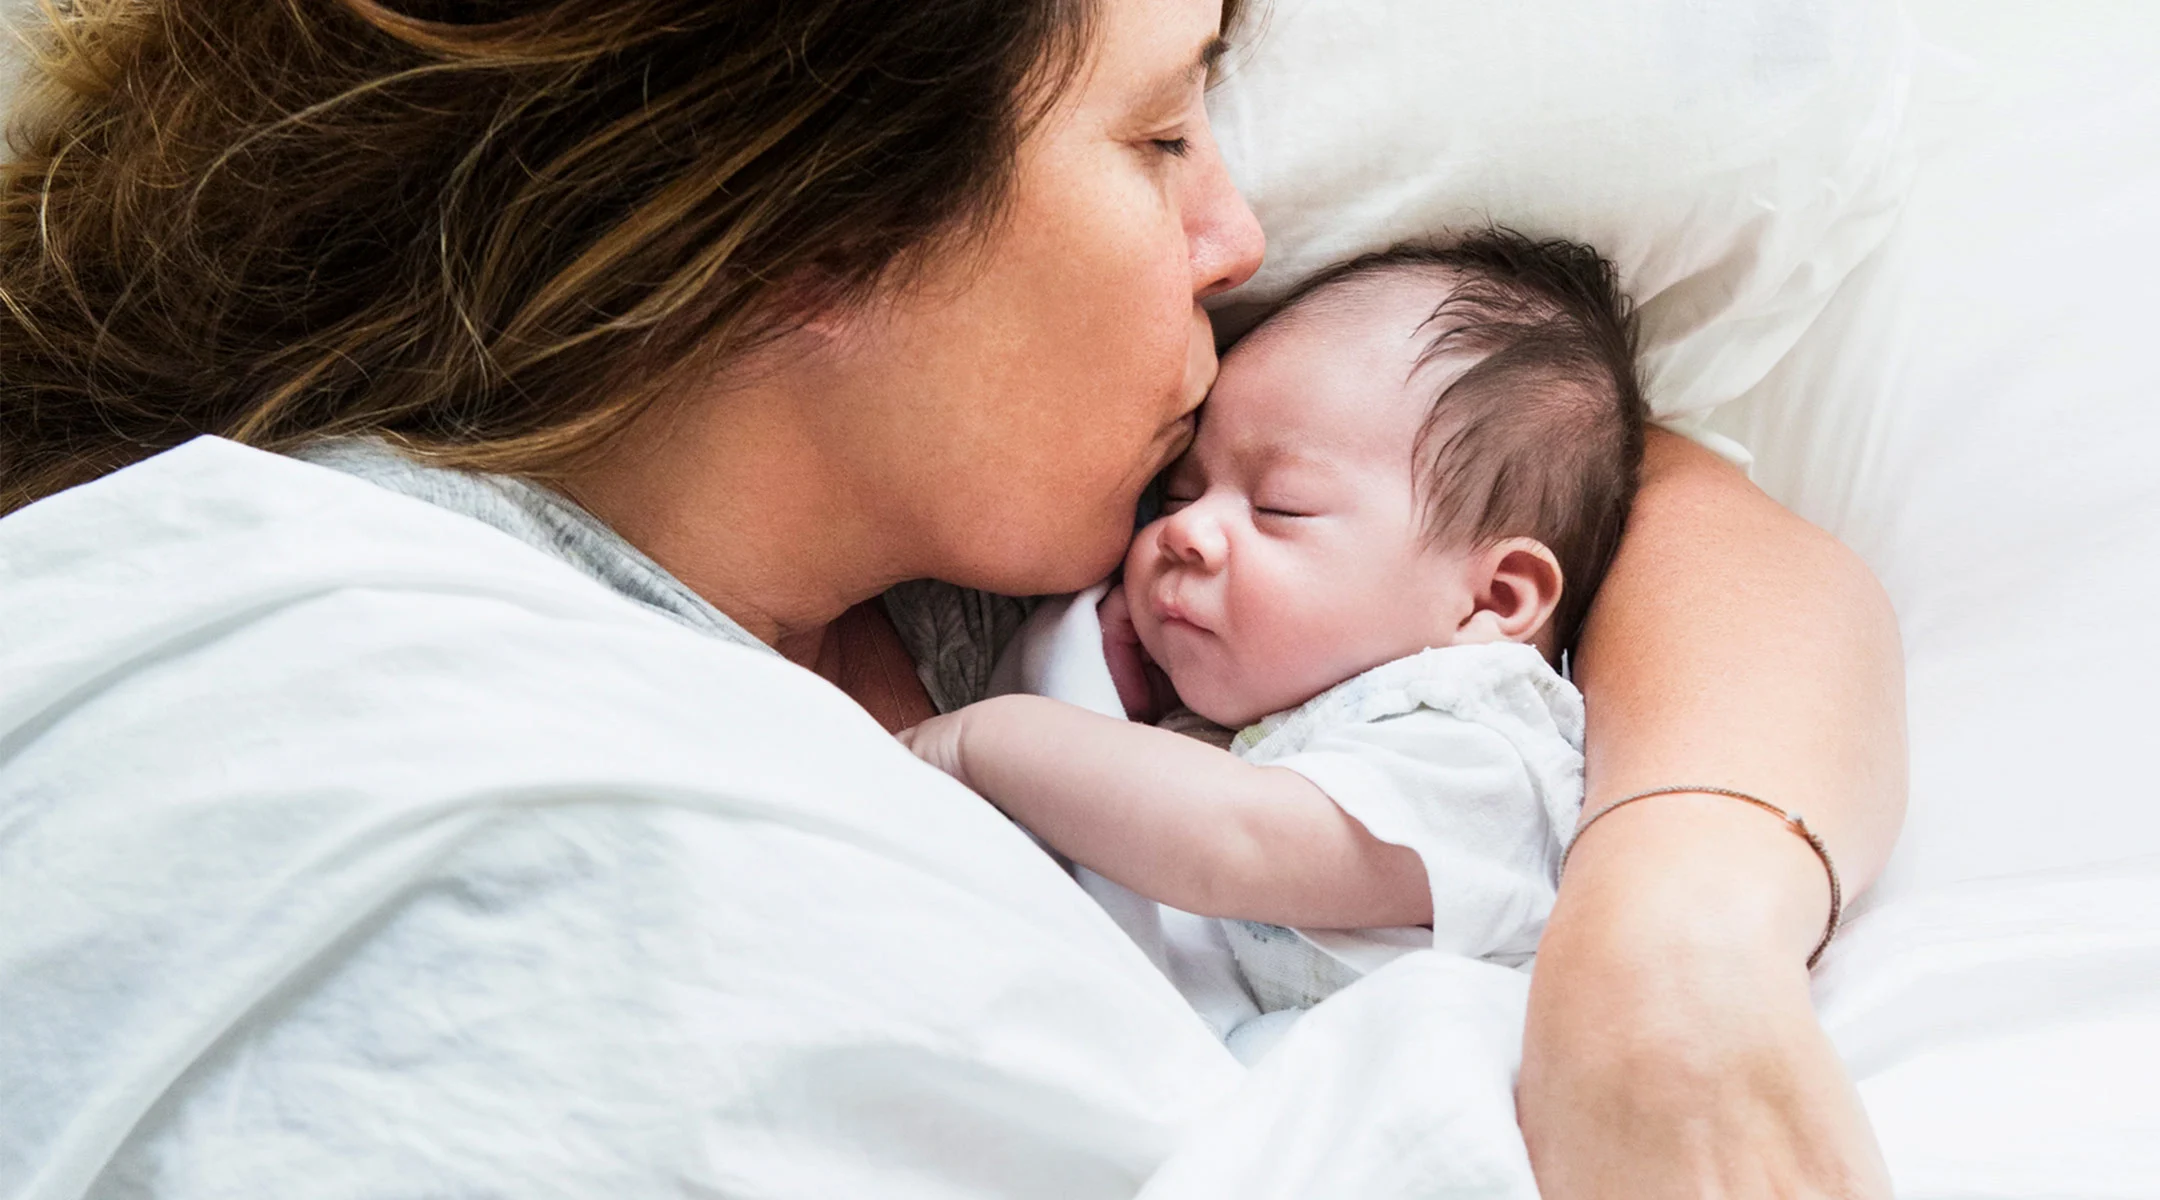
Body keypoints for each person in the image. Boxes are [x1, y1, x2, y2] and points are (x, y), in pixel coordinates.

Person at [0, 0, 1906, 1194]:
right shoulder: (340, 650)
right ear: (831, 228)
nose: (1237, 237)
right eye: (1157, 138)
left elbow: (1679, 522)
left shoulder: (1077, 549)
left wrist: (1663, 962)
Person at [899, 234, 1639, 1021]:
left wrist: (979, 741)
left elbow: (1231, 841)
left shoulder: (1482, 752)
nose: (1184, 534)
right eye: (1180, 495)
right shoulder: (1286, 715)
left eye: (1278, 506)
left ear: (1493, 600)